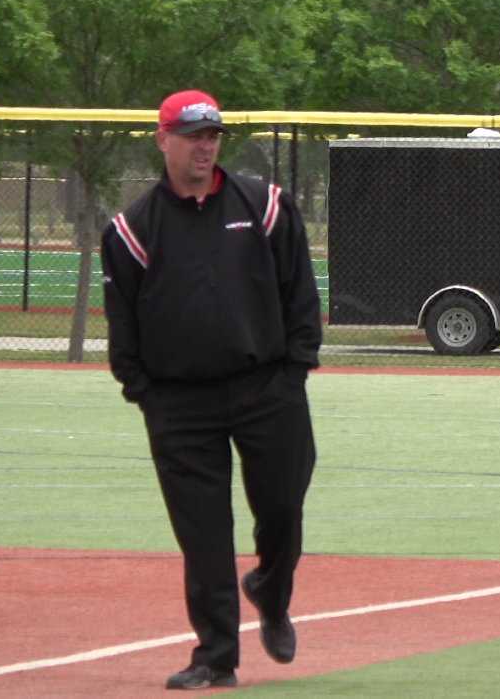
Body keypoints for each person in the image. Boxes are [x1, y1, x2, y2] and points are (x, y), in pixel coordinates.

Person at [101, 90, 322, 690]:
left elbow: (299, 289)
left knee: (282, 507)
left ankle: (270, 591)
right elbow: (123, 318)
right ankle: (216, 657)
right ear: (162, 139)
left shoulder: (265, 205)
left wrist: (296, 366)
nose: (204, 146)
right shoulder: (131, 229)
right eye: (192, 135)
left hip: (267, 387)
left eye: (212, 136)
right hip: (178, 403)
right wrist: (142, 389)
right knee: (203, 535)